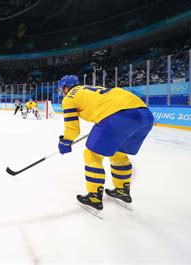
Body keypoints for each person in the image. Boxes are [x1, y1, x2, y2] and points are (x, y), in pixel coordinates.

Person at [57, 75, 154, 217]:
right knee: (118, 153)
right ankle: (122, 191)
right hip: (145, 115)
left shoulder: (69, 98)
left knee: (92, 154)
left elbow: (73, 129)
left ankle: (94, 198)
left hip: (119, 117)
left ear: (65, 88)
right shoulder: (91, 89)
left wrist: (65, 141)